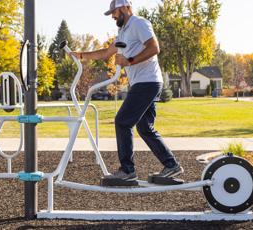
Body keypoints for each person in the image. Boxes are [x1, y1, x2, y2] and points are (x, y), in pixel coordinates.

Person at [71, 0, 183, 185]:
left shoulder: (139, 23)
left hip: (147, 82)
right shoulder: (123, 31)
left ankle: (127, 171)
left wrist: (129, 61)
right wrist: (81, 55)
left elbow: (154, 48)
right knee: (145, 127)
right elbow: (107, 52)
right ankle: (171, 165)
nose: (113, 17)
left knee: (122, 122)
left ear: (124, 8)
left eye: (114, 12)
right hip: (143, 83)